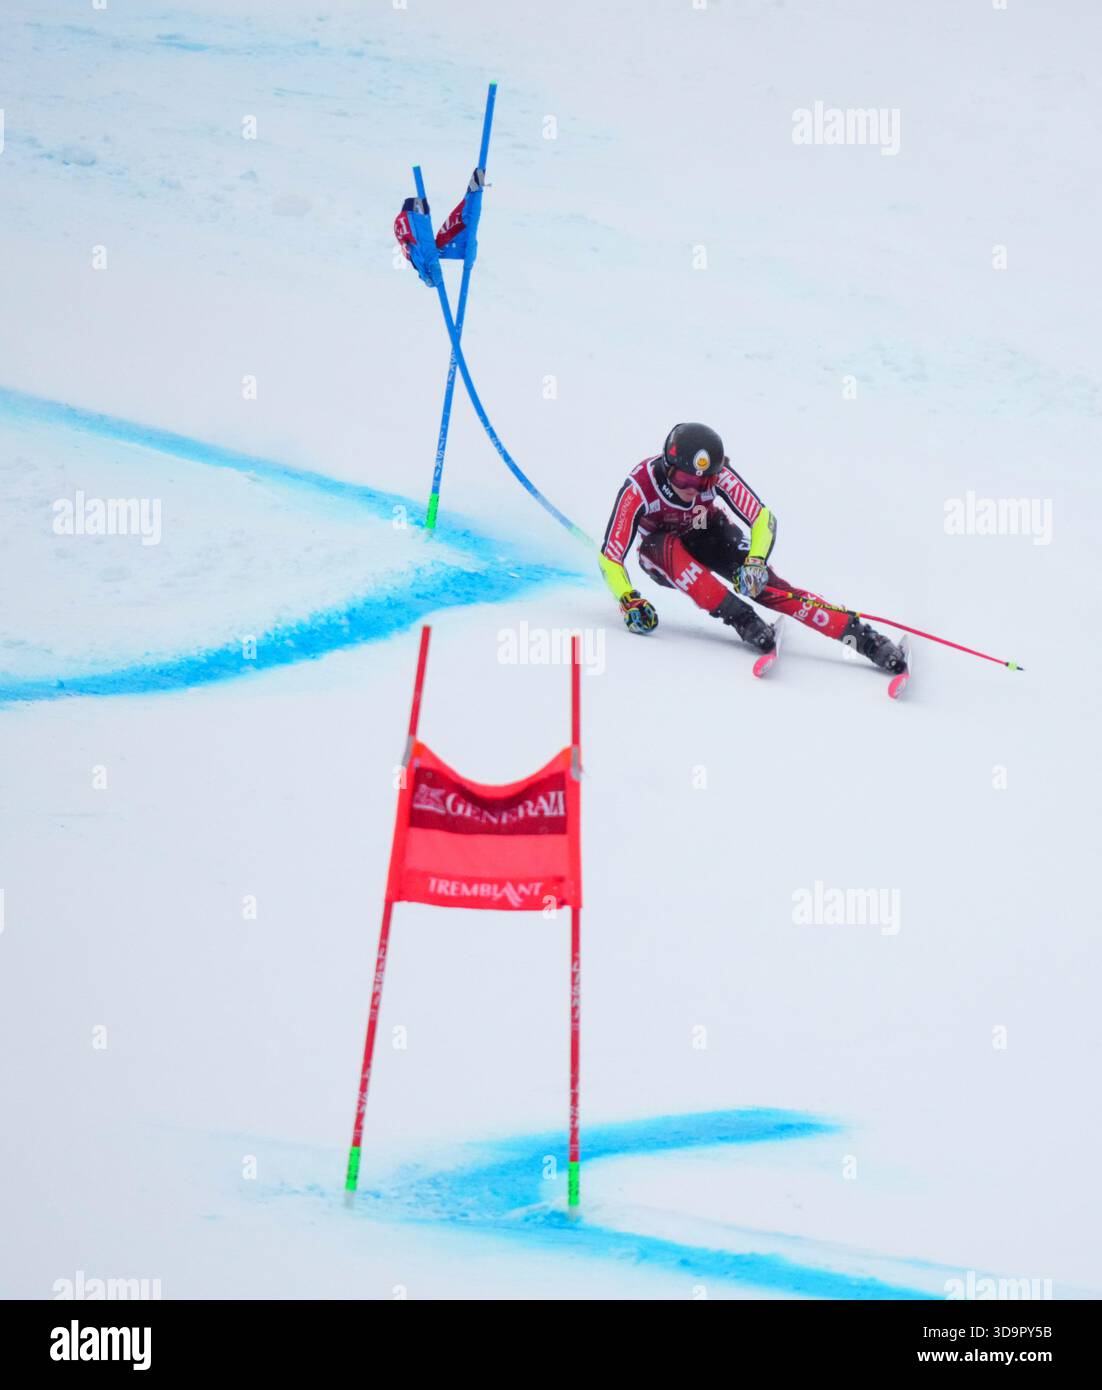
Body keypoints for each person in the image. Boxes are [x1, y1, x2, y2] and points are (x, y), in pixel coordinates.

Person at [598, 422, 907, 673]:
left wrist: (756, 561)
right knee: (666, 547)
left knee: (766, 586)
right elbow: (611, 556)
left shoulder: (720, 476)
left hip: (706, 530)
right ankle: (742, 619)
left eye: (703, 483)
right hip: (661, 554)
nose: (692, 487)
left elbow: (762, 517)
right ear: (668, 467)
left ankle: (867, 641)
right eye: (683, 477)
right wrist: (628, 599)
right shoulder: (639, 488)